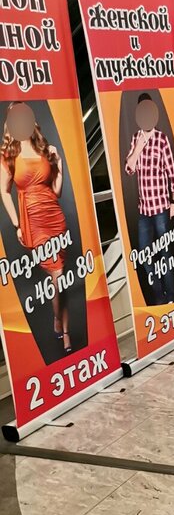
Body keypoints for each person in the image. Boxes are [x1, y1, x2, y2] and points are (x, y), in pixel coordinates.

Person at [0, 102, 72, 353]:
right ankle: (64, 330)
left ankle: (59, 323)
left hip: (55, 218)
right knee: (58, 275)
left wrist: (59, 164)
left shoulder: (45, 150)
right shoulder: (8, 155)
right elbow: (4, 191)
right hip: (33, 221)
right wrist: (17, 224)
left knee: (59, 280)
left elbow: (57, 191)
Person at [125, 92, 174, 305]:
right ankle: (159, 297)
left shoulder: (161, 139)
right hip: (144, 210)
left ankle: (171, 297)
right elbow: (129, 169)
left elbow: (172, 172)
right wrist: (139, 146)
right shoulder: (135, 139)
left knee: (166, 253)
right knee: (145, 255)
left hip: (162, 208)